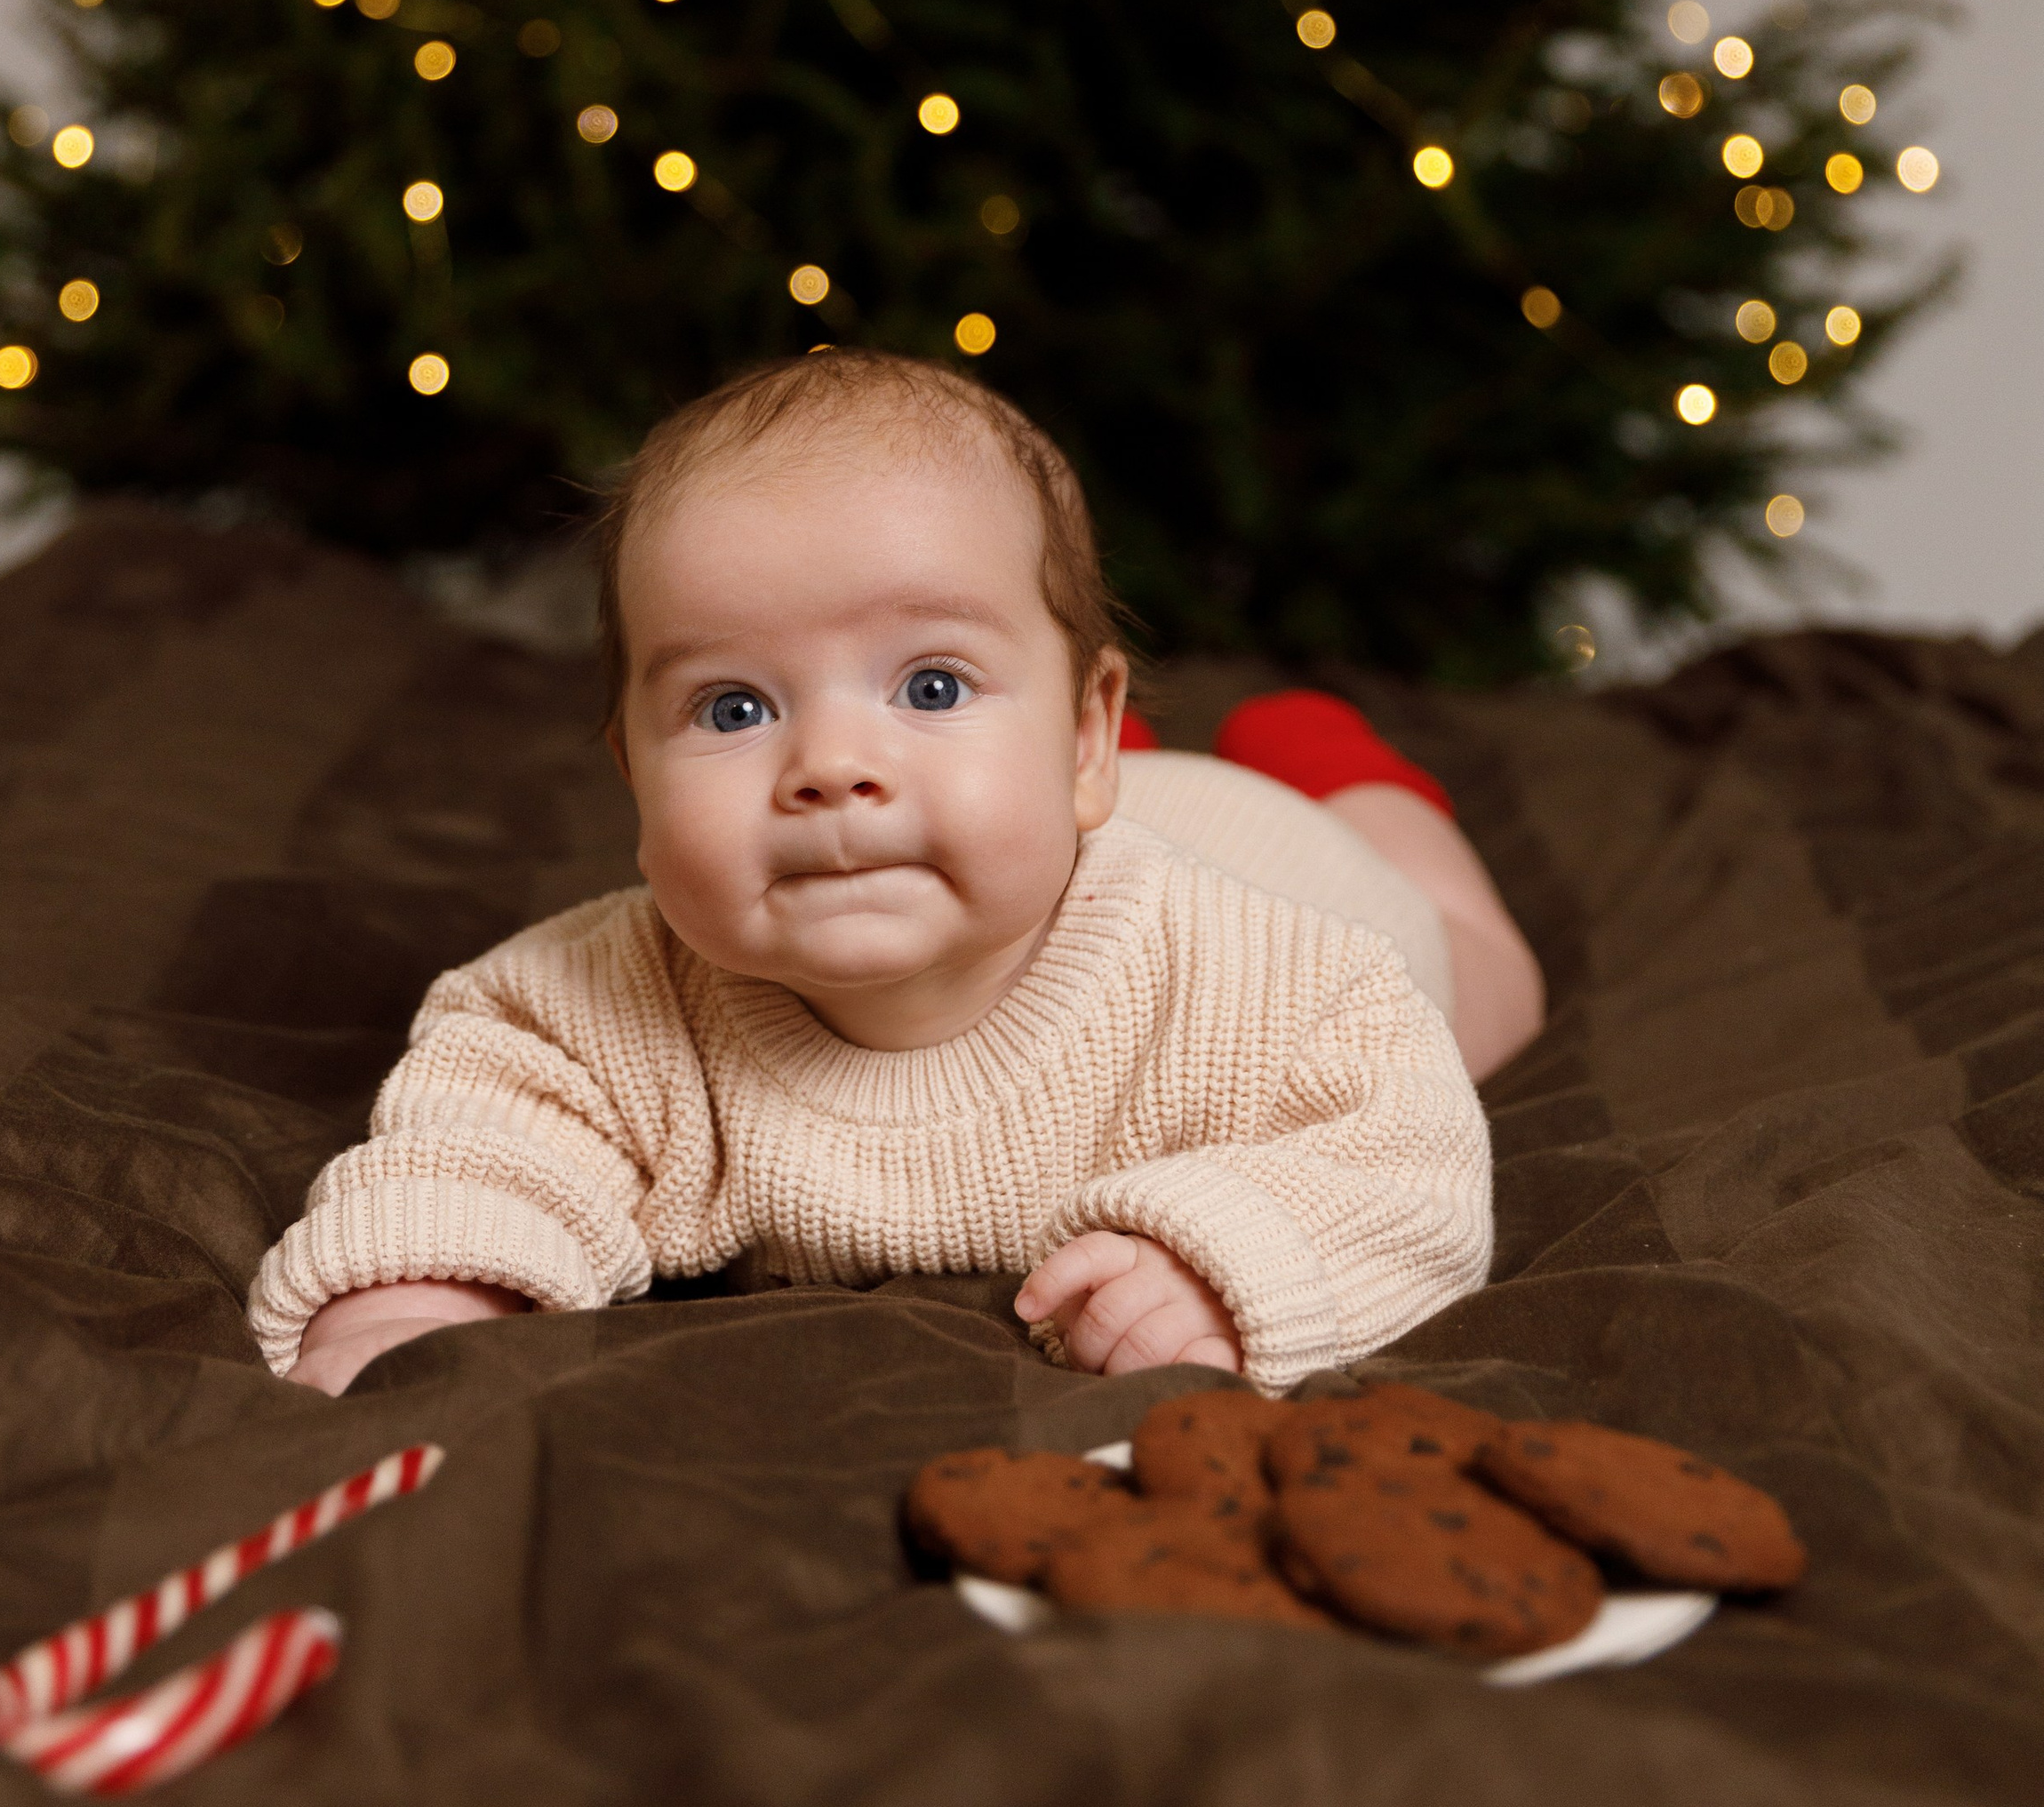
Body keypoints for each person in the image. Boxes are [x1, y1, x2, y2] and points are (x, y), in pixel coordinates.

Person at [252, 353, 1529, 1401]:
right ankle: (1013, 741)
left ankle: (1326, 755)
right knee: (973, 802)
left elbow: (1404, 1163)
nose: (830, 766)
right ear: (631, 777)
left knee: (1479, 982)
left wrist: (1233, 1267)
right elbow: (488, 1140)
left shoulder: (1285, 985)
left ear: (1089, 738)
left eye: (929, 685)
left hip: (1279, 850)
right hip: (1039, 812)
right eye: (734, 705)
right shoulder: (589, 1010)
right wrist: (427, 1283)